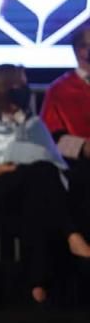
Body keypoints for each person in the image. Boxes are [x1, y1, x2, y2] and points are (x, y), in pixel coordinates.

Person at [0, 64, 90, 305]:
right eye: (18, 86)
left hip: (30, 197)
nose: (24, 90)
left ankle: (38, 283)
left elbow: (57, 167)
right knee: (40, 175)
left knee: (43, 174)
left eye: (25, 85)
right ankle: (72, 236)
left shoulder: (33, 124)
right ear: (2, 89)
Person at [40, 24, 90, 237]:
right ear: (81, 50)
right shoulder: (59, 90)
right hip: (79, 167)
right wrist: (84, 148)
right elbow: (51, 138)